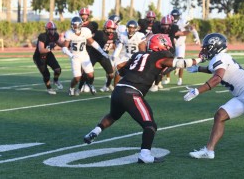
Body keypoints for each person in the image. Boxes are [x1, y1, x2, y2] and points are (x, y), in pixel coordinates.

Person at [83, 34, 203, 163]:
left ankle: (94, 132)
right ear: (160, 46)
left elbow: (119, 67)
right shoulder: (158, 56)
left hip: (119, 90)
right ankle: (144, 155)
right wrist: (201, 58)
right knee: (150, 125)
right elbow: (181, 63)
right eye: (166, 46)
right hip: (132, 93)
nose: (168, 49)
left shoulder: (138, 55)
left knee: (113, 116)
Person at [62, 16, 109, 96]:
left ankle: (90, 84)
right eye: (74, 25)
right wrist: (71, 55)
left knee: (90, 74)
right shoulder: (69, 33)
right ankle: (71, 88)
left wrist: (102, 52)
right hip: (75, 56)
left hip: (84, 55)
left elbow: (92, 42)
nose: (76, 27)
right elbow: (64, 48)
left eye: (77, 25)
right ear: (72, 25)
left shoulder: (86, 31)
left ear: (81, 25)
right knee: (77, 78)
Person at [79, 20, 118, 92]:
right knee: (86, 72)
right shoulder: (99, 33)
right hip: (94, 54)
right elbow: (89, 41)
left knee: (111, 74)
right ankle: (80, 86)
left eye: (112, 29)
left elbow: (115, 44)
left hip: (104, 56)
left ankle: (107, 85)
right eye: (109, 28)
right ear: (105, 28)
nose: (110, 30)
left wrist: (116, 53)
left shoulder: (115, 35)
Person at [170, 9, 200, 86]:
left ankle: (180, 79)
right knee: (169, 60)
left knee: (181, 61)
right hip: (171, 44)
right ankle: (167, 78)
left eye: (176, 16)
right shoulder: (168, 21)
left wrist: (197, 37)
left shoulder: (183, 21)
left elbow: (191, 28)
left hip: (180, 44)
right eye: (174, 16)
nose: (175, 17)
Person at [111, 20, 146, 86]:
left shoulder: (139, 35)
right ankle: (115, 88)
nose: (131, 30)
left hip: (136, 57)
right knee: (118, 67)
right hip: (126, 57)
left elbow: (142, 50)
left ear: (136, 28)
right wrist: (114, 56)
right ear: (127, 28)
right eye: (130, 27)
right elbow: (119, 47)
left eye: (133, 28)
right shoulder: (123, 35)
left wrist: (141, 59)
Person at [33, 21, 64, 95]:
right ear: (47, 29)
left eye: (54, 29)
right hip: (39, 57)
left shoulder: (55, 35)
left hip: (48, 55)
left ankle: (56, 80)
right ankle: (49, 88)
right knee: (46, 75)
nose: (53, 31)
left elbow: (61, 44)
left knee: (58, 69)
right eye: (51, 29)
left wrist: (69, 42)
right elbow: (41, 50)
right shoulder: (43, 36)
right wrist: (51, 48)